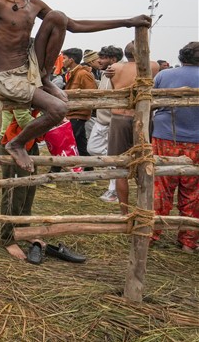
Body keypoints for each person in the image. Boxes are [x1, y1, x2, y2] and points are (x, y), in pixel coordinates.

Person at [0, 0, 152, 172]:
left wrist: (126, 22)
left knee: (58, 17)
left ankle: (44, 78)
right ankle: (16, 144)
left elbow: (72, 25)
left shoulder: (33, 3)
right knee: (58, 108)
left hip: (32, 67)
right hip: (8, 75)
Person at [0, 108, 86, 265]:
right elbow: (22, 117)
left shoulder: (34, 86)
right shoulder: (17, 86)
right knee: (15, 191)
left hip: (30, 140)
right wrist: (50, 121)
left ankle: (23, 229)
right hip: (13, 140)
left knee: (28, 189)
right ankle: (7, 237)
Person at [151, 42, 199, 252]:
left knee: (161, 186)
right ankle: (188, 242)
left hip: (165, 136)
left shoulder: (164, 75)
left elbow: (151, 102)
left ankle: (150, 235)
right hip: (196, 140)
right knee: (193, 191)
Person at [107, 41, 159, 215]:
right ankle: (142, 207)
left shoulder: (115, 68)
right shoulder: (152, 66)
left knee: (120, 166)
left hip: (119, 117)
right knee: (143, 163)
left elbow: (115, 87)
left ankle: (124, 211)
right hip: (140, 118)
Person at [88, 45, 124, 202]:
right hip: (101, 120)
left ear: (113, 60)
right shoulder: (105, 74)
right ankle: (121, 162)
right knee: (93, 149)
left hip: (112, 121)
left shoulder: (118, 73)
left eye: (102, 58)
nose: (99, 61)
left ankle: (113, 191)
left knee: (112, 158)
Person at [60, 47, 96, 170]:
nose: (62, 61)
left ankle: (54, 171)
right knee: (81, 145)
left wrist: (84, 109)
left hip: (78, 113)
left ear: (71, 59)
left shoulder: (83, 74)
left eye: (64, 58)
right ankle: (89, 172)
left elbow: (92, 93)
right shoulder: (70, 73)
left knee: (64, 141)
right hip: (72, 113)